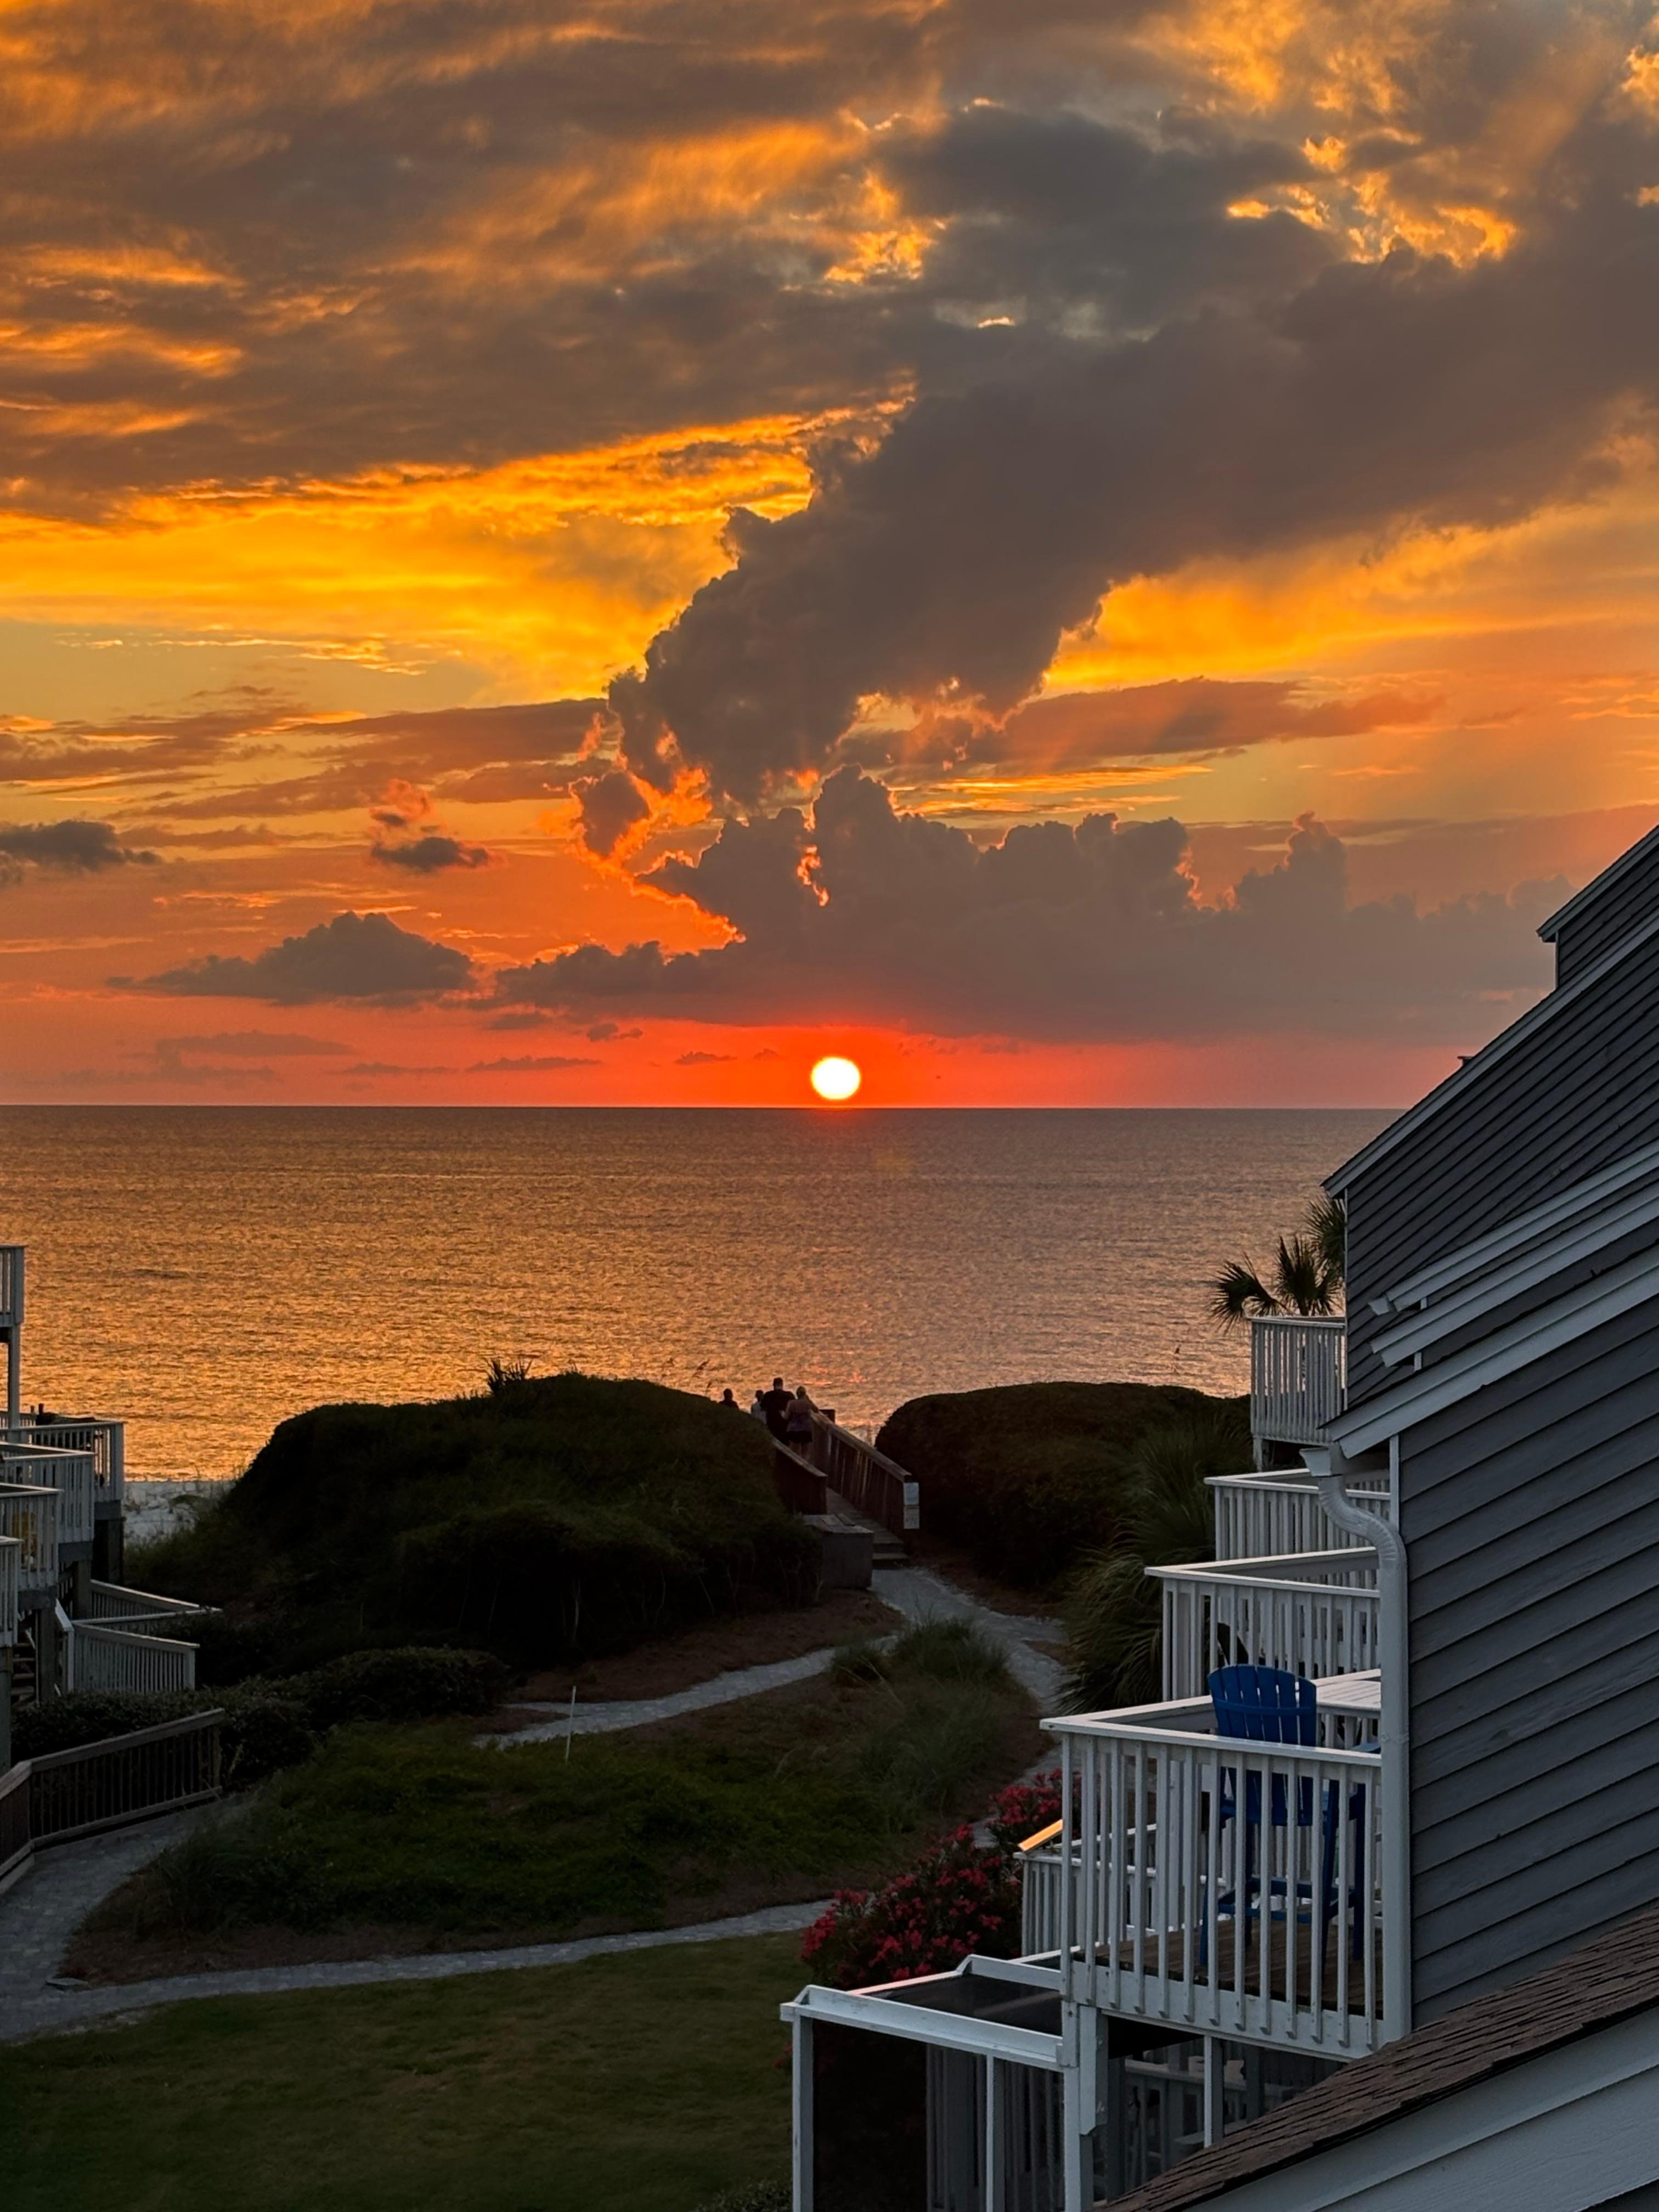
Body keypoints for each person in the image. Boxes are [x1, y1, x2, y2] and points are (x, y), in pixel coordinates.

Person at [760, 1376, 792, 1440]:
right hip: (785, 1424)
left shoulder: (768, 1395)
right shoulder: (789, 1395)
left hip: (772, 1424)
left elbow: (763, 1409)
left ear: (774, 1385)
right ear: (782, 1385)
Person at [785, 1384, 815, 1449]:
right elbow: (816, 1410)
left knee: (794, 1450)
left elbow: (786, 1417)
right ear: (805, 1394)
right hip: (806, 1429)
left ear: (797, 1394)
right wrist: (809, 1400)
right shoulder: (807, 1403)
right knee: (805, 1451)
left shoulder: (792, 1403)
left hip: (794, 1429)